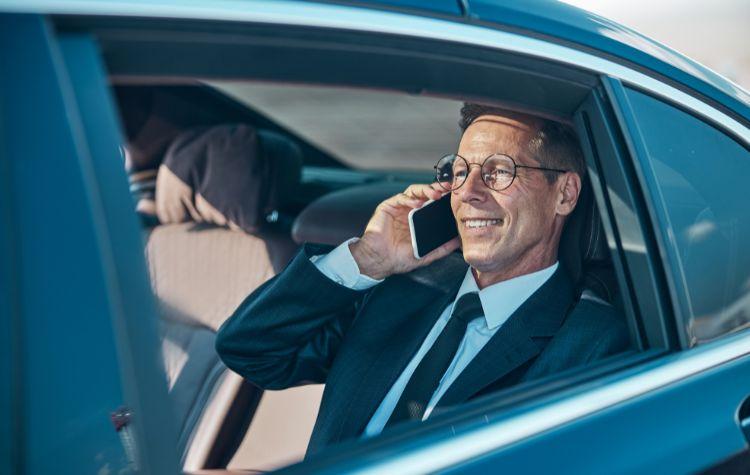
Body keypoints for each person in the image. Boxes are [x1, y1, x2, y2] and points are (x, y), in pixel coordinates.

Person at [215, 103, 630, 455]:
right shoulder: (403, 290)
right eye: (460, 170)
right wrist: (367, 258)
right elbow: (249, 348)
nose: (468, 192)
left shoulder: (590, 345)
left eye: (499, 172)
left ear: (565, 194)